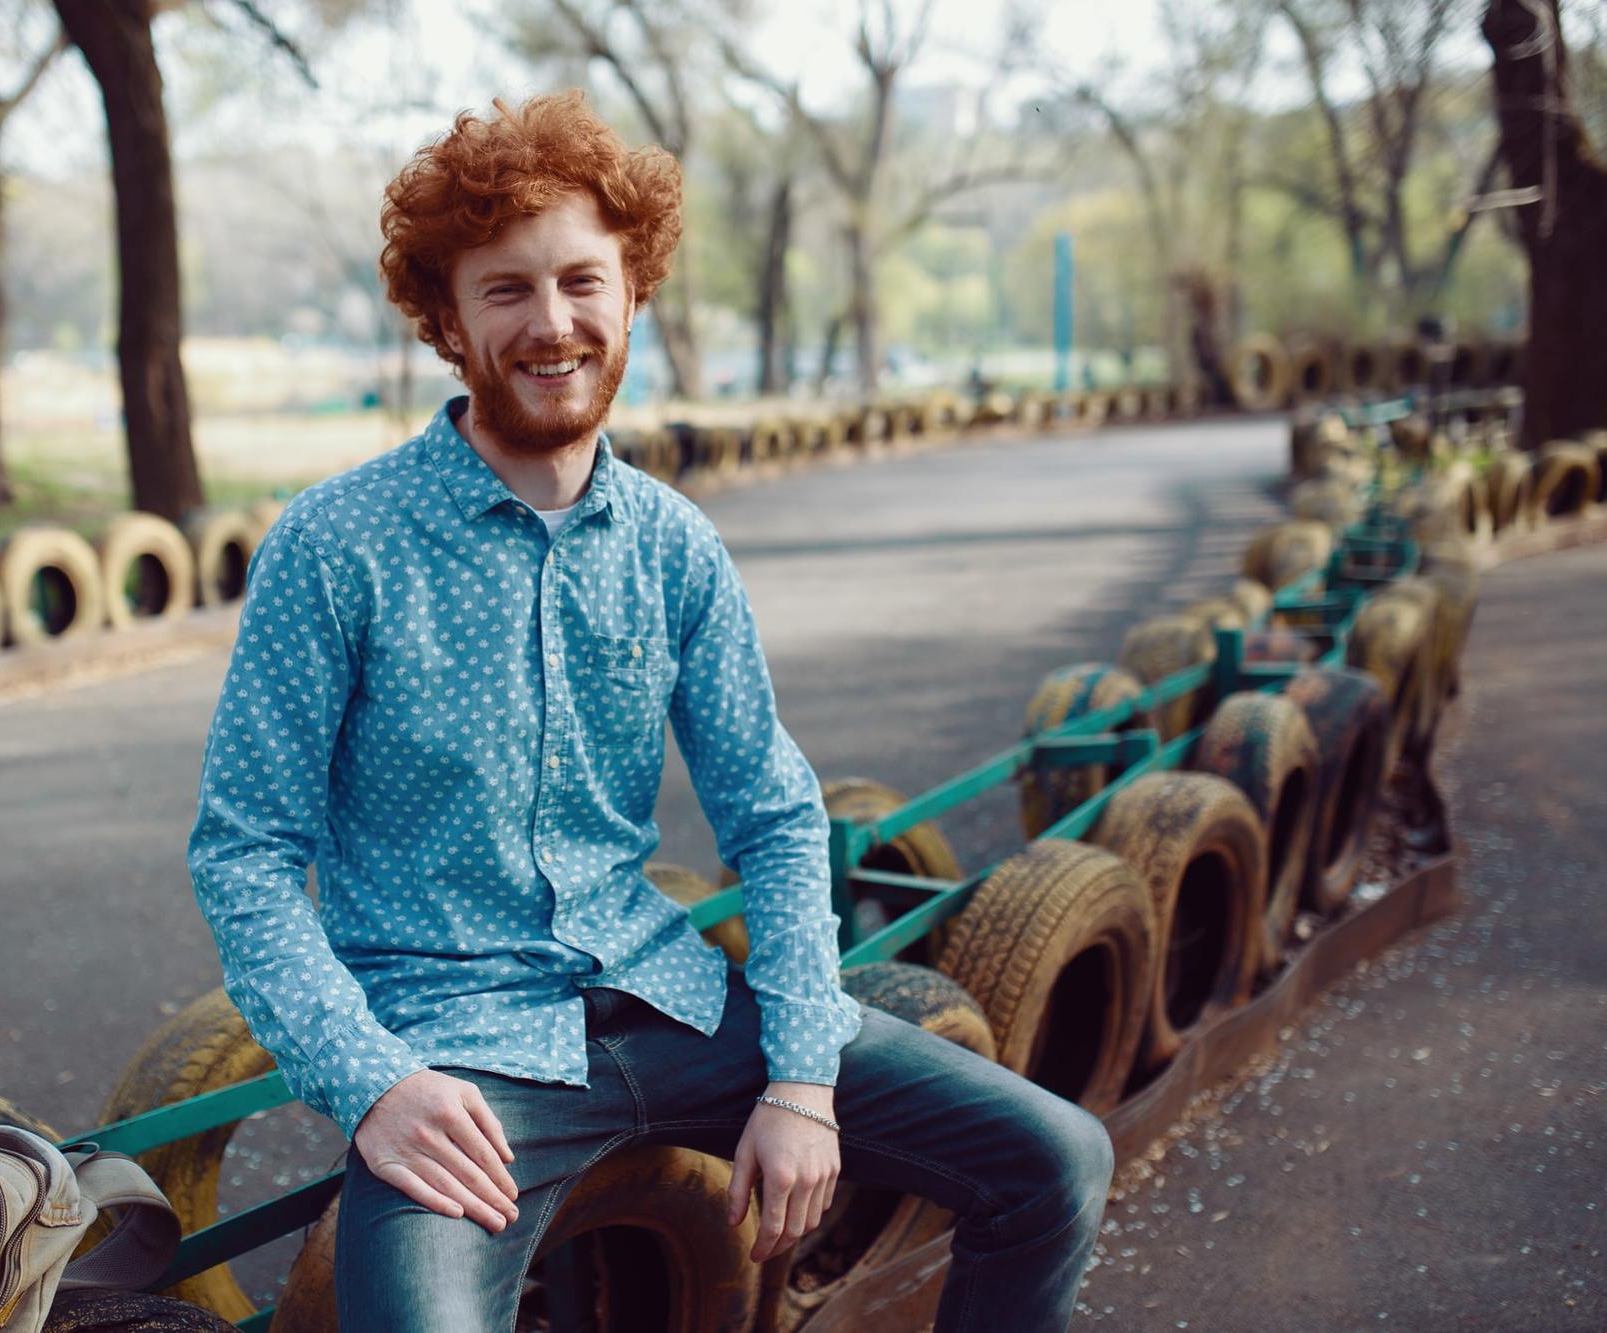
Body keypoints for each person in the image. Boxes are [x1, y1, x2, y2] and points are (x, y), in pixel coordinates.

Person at [185, 91, 1114, 1332]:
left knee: (1053, 1158)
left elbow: (777, 817)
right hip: (460, 1063)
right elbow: (242, 854)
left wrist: (796, 1081)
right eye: (504, 290)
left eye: (581, 281)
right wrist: (372, 1086)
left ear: (634, 296)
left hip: (677, 1005)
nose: (550, 322)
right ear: (446, 320)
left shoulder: (675, 546)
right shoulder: (334, 546)